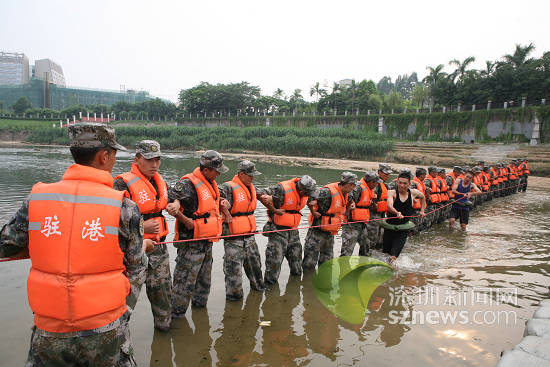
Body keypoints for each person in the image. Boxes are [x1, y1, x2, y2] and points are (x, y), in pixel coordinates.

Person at [0, 122, 153, 366]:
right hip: (106, 327)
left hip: (50, 330)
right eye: (114, 154)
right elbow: (137, 267)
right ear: (104, 156)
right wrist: (125, 311)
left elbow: (6, 244)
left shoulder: (37, 199)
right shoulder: (124, 207)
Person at [114, 140, 175, 331]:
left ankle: (164, 331)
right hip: (134, 253)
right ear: (137, 159)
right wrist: (142, 225)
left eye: (157, 160)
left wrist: (177, 205)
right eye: (149, 160)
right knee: (124, 300)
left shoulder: (160, 181)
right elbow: (112, 220)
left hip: (159, 249)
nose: (154, 164)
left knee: (164, 294)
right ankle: (115, 335)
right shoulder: (122, 183)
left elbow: (173, 198)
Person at [169, 150, 229, 318]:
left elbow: (218, 199)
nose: (218, 173)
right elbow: (172, 198)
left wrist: (224, 202)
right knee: (183, 286)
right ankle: (176, 322)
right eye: (216, 170)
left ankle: (200, 315)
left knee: (204, 284)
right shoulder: (188, 183)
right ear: (205, 169)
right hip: (190, 245)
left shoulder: (212, 183)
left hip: (207, 243)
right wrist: (183, 218)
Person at [258, 175, 318, 285]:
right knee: (274, 263)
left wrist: (313, 211)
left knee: (296, 263)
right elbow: (259, 193)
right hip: (278, 232)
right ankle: (270, 295)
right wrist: (274, 210)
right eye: (307, 193)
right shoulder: (281, 189)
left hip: (294, 232)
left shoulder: (308, 191)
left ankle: (295, 290)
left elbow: (311, 199)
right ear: (301, 191)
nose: (309, 195)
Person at [218, 160, 265, 301]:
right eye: (250, 175)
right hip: (233, 241)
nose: (252, 178)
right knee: (234, 276)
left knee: (257, 273)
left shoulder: (251, 187)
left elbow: (263, 194)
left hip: (250, 239)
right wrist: (223, 207)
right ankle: (234, 306)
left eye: (253, 175)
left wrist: (268, 198)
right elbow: (215, 196)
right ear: (241, 174)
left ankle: (258, 296)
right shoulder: (227, 187)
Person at [303, 172, 357, 270]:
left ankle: (323, 283)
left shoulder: (347, 193)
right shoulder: (326, 192)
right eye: (353, 186)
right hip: (317, 232)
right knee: (309, 264)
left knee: (327, 264)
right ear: (349, 185)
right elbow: (309, 200)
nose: (353, 188)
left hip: (330, 234)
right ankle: (307, 284)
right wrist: (313, 212)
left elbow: (350, 200)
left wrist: (351, 204)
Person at [383, 171, 426, 264]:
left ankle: (394, 273)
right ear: (397, 182)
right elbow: (389, 206)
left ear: (409, 184)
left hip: (403, 229)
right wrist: (397, 212)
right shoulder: (392, 192)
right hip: (390, 227)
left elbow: (423, 197)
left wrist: (422, 211)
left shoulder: (413, 193)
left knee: (394, 255)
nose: (402, 185)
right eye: (400, 182)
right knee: (385, 253)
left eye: (405, 183)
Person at [341, 171, 379, 256]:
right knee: (347, 250)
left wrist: (373, 203)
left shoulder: (370, 189)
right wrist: (351, 202)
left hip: (362, 224)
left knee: (366, 246)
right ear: (371, 182)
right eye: (376, 183)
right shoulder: (358, 186)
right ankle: (344, 267)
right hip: (351, 224)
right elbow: (348, 195)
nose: (377, 185)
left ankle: (362, 265)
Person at [369, 163, 392, 249]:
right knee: (372, 239)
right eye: (385, 174)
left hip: (381, 214)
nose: (387, 176)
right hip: (373, 216)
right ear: (379, 172)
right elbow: (371, 198)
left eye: (388, 174)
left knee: (380, 239)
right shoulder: (375, 183)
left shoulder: (384, 184)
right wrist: (375, 205)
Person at [410, 167, 427, 233]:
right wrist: (414, 200)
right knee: (413, 227)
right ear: (421, 175)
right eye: (424, 175)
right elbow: (409, 192)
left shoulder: (421, 183)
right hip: (414, 210)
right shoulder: (413, 183)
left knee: (419, 226)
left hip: (420, 209)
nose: (425, 176)